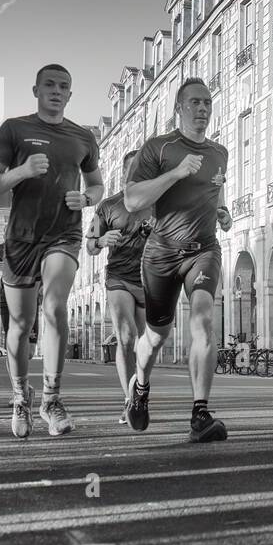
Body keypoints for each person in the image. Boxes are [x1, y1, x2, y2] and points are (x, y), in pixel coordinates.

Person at [0, 63, 104, 439]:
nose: (56, 90)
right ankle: (20, 396)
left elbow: (97, 186)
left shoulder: (83, 137)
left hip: (63, 235)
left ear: (70, 94)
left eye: (63, 86)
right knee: (18, 325)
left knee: (54, 305)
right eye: (49, 84)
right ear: (36, 90)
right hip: (20, 238)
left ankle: (51, 398)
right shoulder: (14, 129)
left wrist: (85, 198)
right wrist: (21, 172)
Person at [122, 77, 233, 442]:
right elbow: (133, 201)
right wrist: (175, 173)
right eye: (195, 103)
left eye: (207, 103)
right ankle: (140, 388)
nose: (203, 109)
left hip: (203, 250)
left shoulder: (220, 152)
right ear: (179, 109)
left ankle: (200, 414)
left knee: (203, 319)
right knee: (156, 336)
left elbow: (213, 190)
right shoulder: (158, 149)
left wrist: (222, 211)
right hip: (161, 253)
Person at [86, 149, 153, 424]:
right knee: (126, 337)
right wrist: (102, 241)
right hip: (119, 278)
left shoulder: (158, 203)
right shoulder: (108, 206)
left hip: (150, 280)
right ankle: (129, 400)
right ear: (124, 173)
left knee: (147, 344)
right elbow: (89, 244)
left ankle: (140, 390)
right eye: (133, 170)